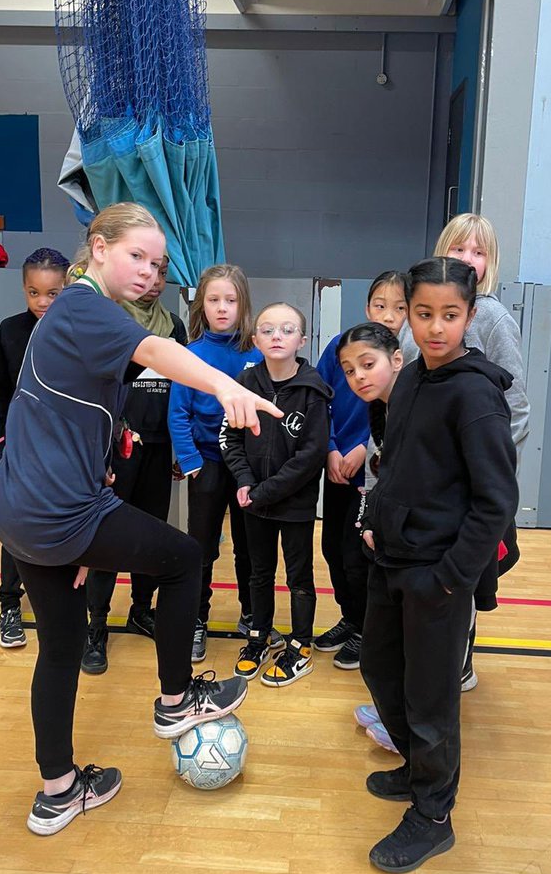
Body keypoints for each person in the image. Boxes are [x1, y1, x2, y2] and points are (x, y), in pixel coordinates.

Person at [0, 204, 281, 836]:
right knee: (185, 559)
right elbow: (156, 349)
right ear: (98, 247)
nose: (149, 271)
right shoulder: (83, 304)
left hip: (19, 510)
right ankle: (176, 700)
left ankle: (58, 793)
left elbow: (72, 412)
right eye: (136, 256)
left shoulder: (78, 315)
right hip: (55, 510)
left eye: (158, 263)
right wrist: (227, 388)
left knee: (60, 647)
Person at [360, 257, 518, 873]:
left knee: (430, 700)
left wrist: (451, 578)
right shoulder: (411, 381)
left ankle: (432, 816)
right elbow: (398, 465)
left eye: (449, 315)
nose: (434, 327)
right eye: (422, 313)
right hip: (391, 559)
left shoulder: (476, 396)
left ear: (469, 316)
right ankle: (415, 768)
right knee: (380, 669)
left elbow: (495, 502)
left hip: (437, 574)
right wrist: (377, 521)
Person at [81, 251, 188, 674]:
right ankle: (96, 626)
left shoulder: (174, 326)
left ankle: (141, 609)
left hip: (159, 448)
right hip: (117, 449)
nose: (155, 279)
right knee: (107, 538)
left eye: (162, 272)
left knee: (150, 533)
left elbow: (182, 392)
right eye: (148, 270)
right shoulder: (111, 321)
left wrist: (179, 448)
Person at [435, 214, 528, 688]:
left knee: (460, 579)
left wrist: (487, 475)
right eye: (459, 249)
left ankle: (456, 666)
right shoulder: (420, 314)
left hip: (465, 486)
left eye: (479, 252)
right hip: (421, 483)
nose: (468, 260)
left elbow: (517, 408)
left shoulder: (492, 319)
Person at [221, 303, 333, 686]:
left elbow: (310, 456)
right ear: (255, 340)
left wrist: (264, 491)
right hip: (254, 502)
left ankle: (301, 645)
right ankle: (259, 636)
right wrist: (244, 481)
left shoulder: (313, 391)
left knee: (299, 577)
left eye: (287, 330)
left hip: (293, 505)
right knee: (259, 573)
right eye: (267, 330)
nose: (277, 336)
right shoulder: (245, 383)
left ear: (302, 340)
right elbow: (230, 438)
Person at [168, 263, 263, 664]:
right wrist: (191, 461)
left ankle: (251, 615)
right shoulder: (190, 355)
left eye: (230, 300)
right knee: (201, 547)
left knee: (249, 547)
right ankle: (196, 620)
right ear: (201, 305)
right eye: (214, 300)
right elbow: (177, 413)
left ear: (243, 305)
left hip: (247, 469)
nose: (222, 308)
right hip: (206, 463)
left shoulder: (256, 354)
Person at [314, 271, 409, 670]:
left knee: (358, 557)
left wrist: (359, 450)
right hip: (336, 467)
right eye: (380, 306)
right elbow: (318, 399)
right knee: (332, 549)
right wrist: (331, 449)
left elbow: (391, 422)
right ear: (367, 307)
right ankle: (351, 617)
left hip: (369, 477)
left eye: (399, 308)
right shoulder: (342, 347)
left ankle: (367, 629)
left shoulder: (407, 360)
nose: (388, 315)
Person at [0, 247, 70, 649]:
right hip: (19, 450)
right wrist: (2, 442)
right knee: (16, 529)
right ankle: (9, 603)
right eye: (34, 292)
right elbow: (0, 394)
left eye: (52, 293)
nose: (42, 301)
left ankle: (64, 605)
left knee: (67, 526)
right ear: (24, 289)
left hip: (64, 453)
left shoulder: (77, 331)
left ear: (67, 288)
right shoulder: (9, 330)